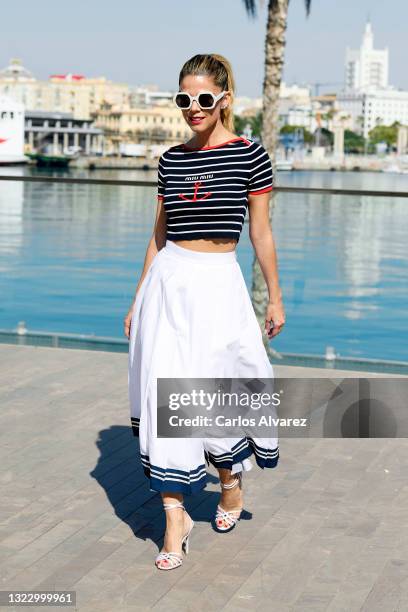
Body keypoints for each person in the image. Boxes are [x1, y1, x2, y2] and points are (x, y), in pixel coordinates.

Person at [124, 53, 285, 571]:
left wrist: (276, 297)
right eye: (184, 99)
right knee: (164, 390)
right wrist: (138, 297)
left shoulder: (250, 155)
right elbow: (159, 236)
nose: (193, 108)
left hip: (219, 285)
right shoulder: (170, 159)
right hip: (169, 283)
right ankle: (176, 518)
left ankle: (230, 482)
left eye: (203, 99)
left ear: (224, 100)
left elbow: (260, 231)